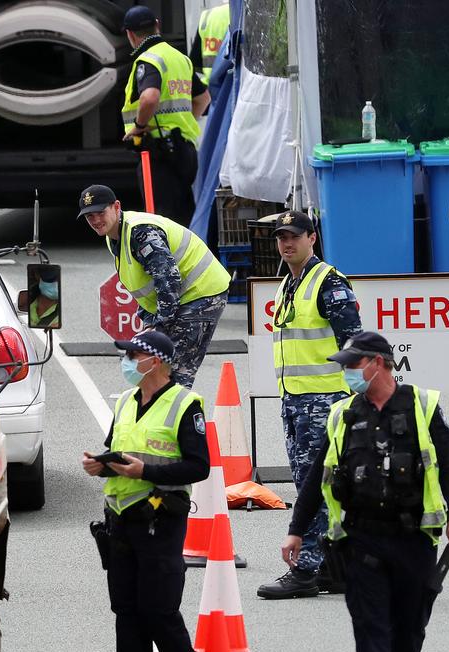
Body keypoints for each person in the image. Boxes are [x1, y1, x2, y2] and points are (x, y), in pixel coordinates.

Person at [280, 331, 449, 652]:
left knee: (409, 623)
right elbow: (318, 477)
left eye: (352, 364)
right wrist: (296, 530)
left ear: (377, 363)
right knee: (370, 624)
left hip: (414, 537)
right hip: (360, 537)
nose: (347, 372)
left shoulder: (422, 406)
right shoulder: (342, 414)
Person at [81, 330, 208, 652]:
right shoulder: (124, 402)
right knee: (127, 610)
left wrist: (146, 471)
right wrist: (99, 463)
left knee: (158, 609)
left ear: (155, 361)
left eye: (133, 355)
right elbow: (116, 447)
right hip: (119, 518)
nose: (127, 361)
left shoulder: (185, 404)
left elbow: (198, 466)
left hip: (159, 518)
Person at [257, 210, 362, 599]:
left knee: (313, 488)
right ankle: (333, 568)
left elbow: (354, 344)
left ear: (312, 238)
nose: (287, 243)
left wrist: (353, 401)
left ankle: (305, 569)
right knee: (317, 485)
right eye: (281, 237)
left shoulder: (327, 283)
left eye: (294, 236)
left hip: (325, 402)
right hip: (298, 401)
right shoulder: (290, 281)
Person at [78, 184, 229, 389]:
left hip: (201, 293)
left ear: (116, 206)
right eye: (89, 217)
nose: (96, 220)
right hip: (185, 295)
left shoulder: (140, 232)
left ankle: (179, 418)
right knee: (164, 370)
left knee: (171, 372)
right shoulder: (113, 236)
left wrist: (159, 325)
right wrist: (150, 321)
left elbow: (168, 278)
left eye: (100, 213)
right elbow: (145, 285)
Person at [120, 5, 211, 226]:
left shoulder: (148, 61)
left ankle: (165, 262)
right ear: (157, 25)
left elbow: (149, 97)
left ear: (130, 34)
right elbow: (203, 98)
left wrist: (139, 126)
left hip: (159, 153)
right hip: (184, 151)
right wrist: (183, 121)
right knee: (183, 220)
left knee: (160, 222)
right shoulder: (180, 58)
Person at [190, 3, 231, 87]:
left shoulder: (208, 15)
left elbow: (195, 61)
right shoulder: (244, 14)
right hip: (233, 88)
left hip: (209, 88)